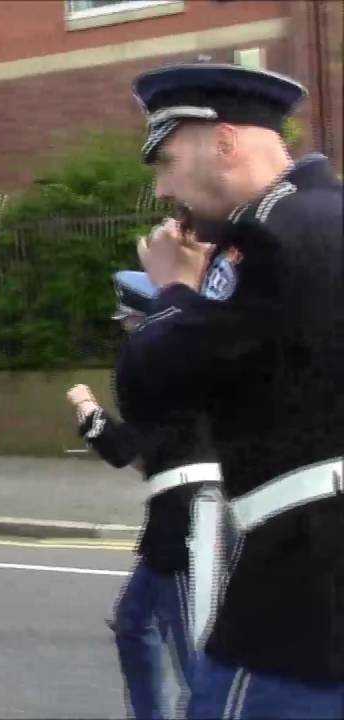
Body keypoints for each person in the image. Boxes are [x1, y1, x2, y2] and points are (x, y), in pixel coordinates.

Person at [127, 62, 343, 717]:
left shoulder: (268, 237)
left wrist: (172, 290)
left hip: (307, 566)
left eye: (165, 163)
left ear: (221, 143)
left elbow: (154, 384)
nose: (163, 190)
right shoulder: (329, 216)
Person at [66, 270, 225, 719]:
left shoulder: (157, 370)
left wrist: (87, 410)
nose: (127, 333)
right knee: (134, 625)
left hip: (189, 516)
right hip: (178, 513)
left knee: (197, 657)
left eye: (129, 323)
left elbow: (127, 452)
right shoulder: (189, 362)